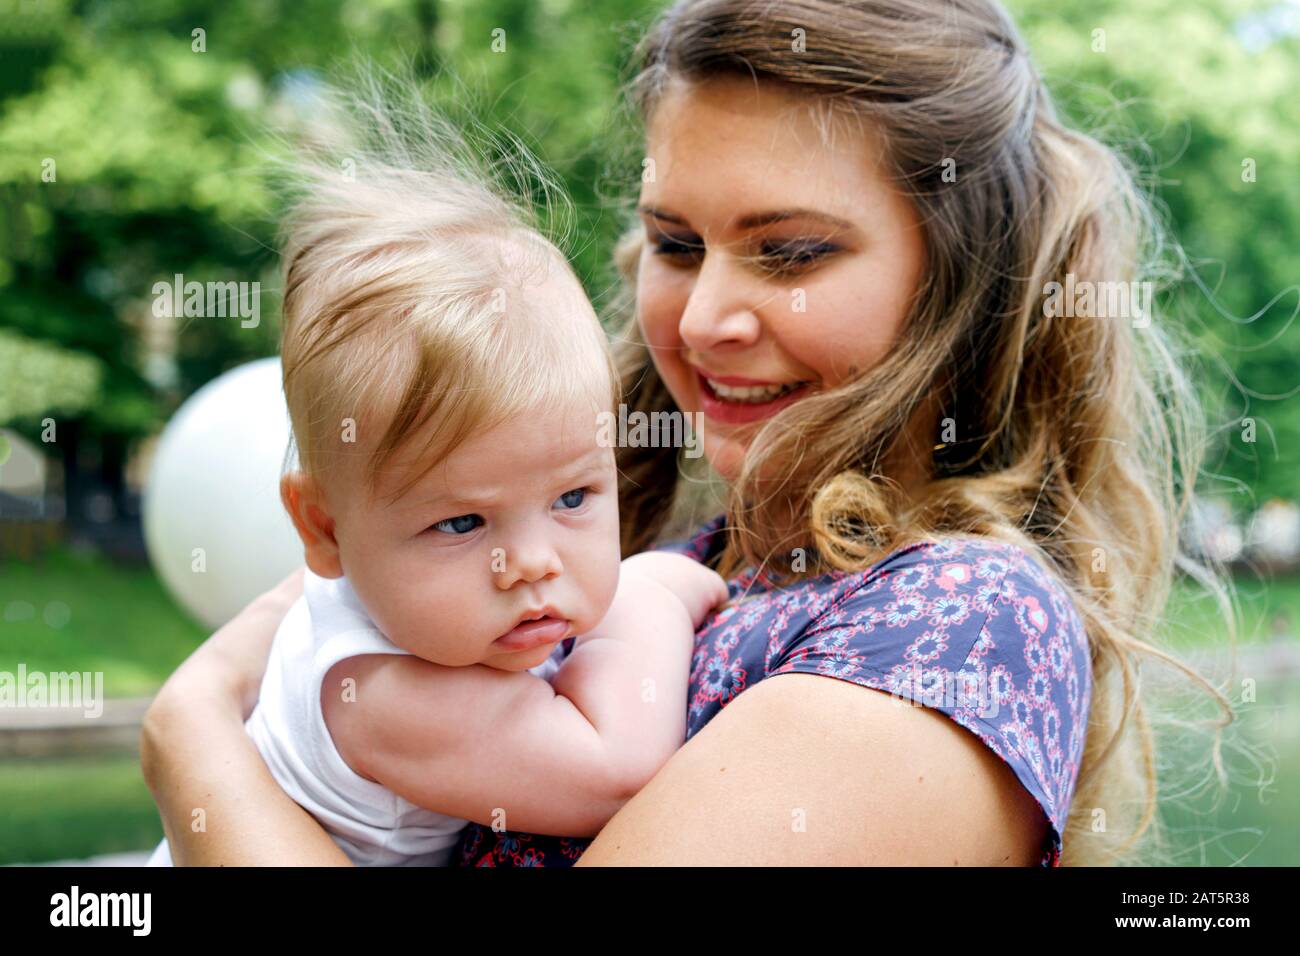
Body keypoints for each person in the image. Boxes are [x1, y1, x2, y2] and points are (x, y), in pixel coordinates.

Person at [142, 0, 1232, 867]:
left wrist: (193, 740)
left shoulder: (955, 625)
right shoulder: (681, 562)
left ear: (960, 277)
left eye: (791, 251)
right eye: (673, 240)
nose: (704, 316)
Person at [142, 89, 728, 866]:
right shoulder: (380, 696)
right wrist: (652, 590)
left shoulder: (423, 612)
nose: (531, 562)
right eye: (460, 523)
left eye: (573, 497)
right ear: (324, 530)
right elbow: (614, 770)